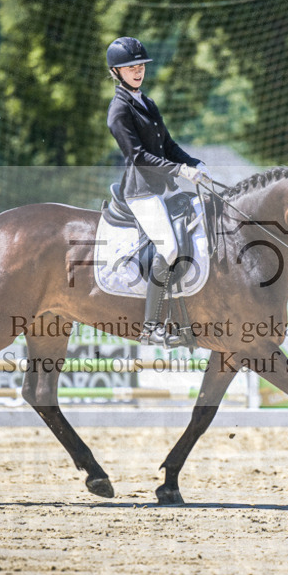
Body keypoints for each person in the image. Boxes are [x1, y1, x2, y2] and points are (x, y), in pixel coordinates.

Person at [105, 36, 211, 346]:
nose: (138, 72)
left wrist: (194, 162)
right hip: (141, 193)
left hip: (164, 188)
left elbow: (168, 145)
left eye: (140, 66)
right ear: (116, 72)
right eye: (130, 68)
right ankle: (151, 327)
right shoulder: (119, 111)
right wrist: (180, 170)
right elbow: (137, 156)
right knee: (170, 249)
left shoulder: (146, 102)